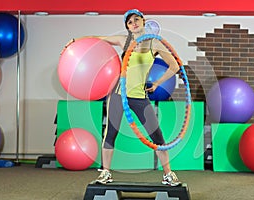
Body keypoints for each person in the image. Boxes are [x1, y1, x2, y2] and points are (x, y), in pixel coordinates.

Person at [68, 9, 181, 186]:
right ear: (128, 27)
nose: (134, 23)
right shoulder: (124, 41)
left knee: (157, 136)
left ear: (143, 21)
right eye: (130, 22)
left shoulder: (155, 44)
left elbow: (174, 65)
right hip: (119, 95)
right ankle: (105, 173)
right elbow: (97, 39)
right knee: (110, 133)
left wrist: (158, 83)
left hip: (139, 97)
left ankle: (168, 174)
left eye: (137, 19)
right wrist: (75, 41)